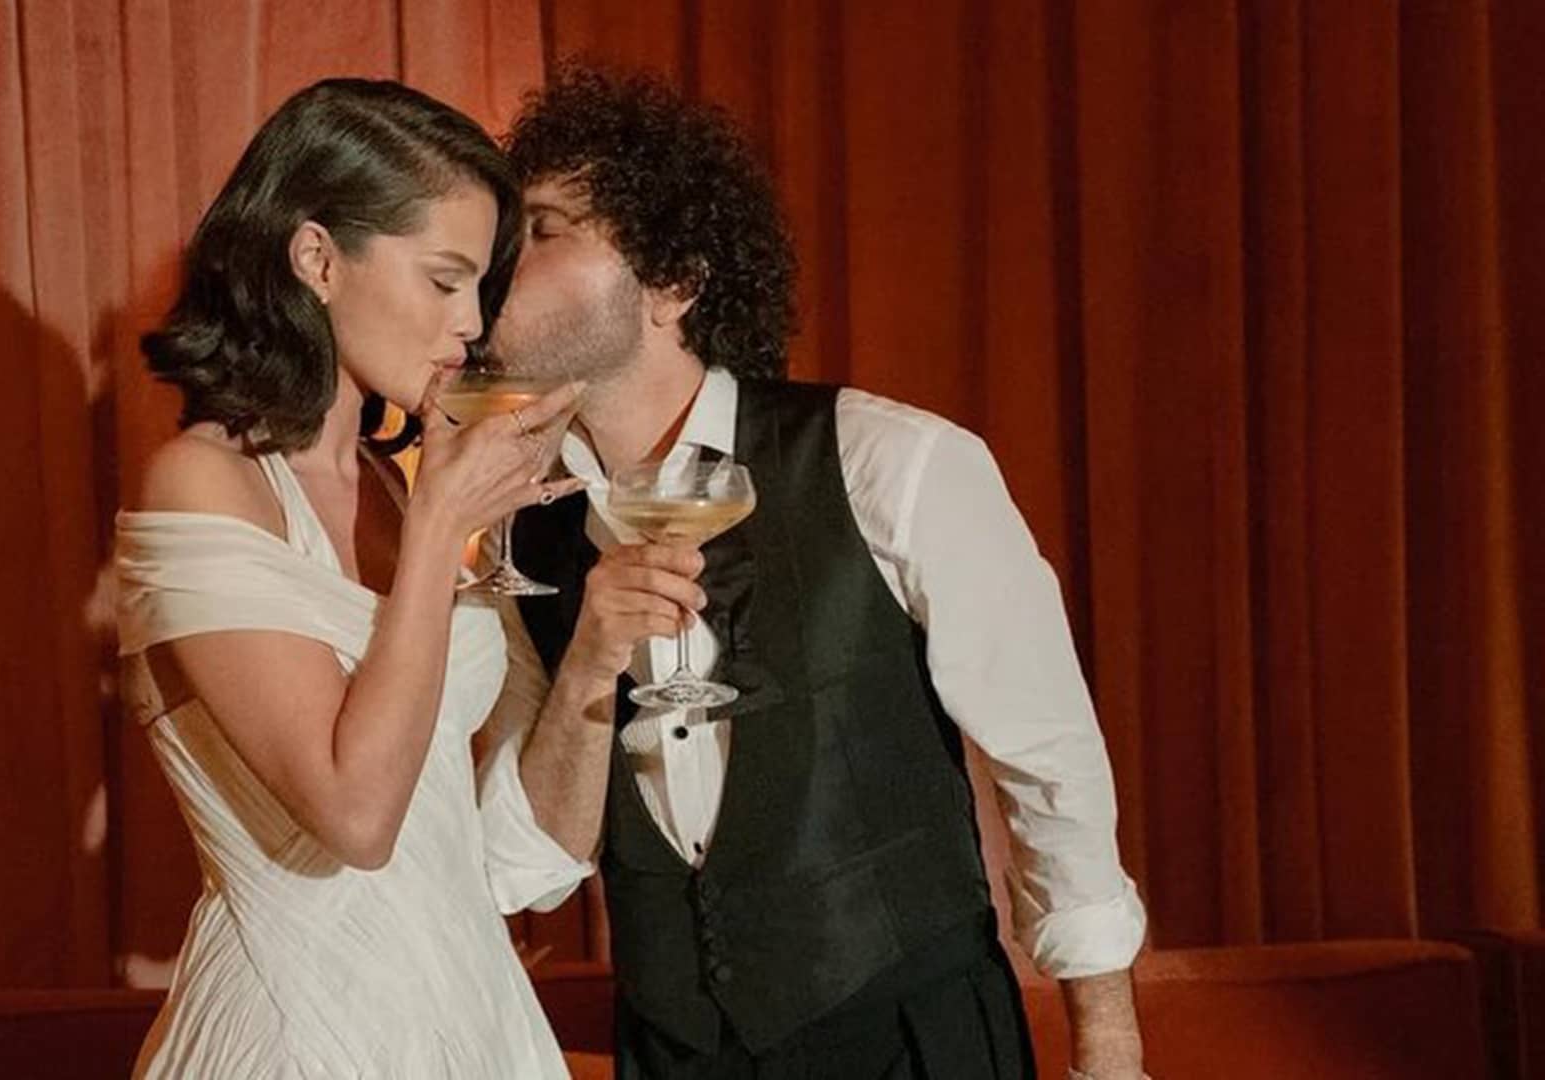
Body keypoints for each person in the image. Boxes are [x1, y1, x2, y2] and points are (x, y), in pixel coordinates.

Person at [476, 65, 1149, 1079]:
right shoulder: (523, 540)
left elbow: (1049, 760)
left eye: (544, 228)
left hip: (910, 1042)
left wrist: (1109, 1048)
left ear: (674, 282)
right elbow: (524, 870)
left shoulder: (893, 464)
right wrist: (583, 672)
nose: (496, 265)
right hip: (673, 1053)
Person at [115, 77, 584, 1078]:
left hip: (476, 1016)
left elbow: (469, 825)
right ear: (317, 258)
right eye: (443, 279)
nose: (472, 324)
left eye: (479, 287)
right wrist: (439, 539)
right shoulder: (203, 482)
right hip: (303, 1033)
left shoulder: (394, 485)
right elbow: (355, 817)